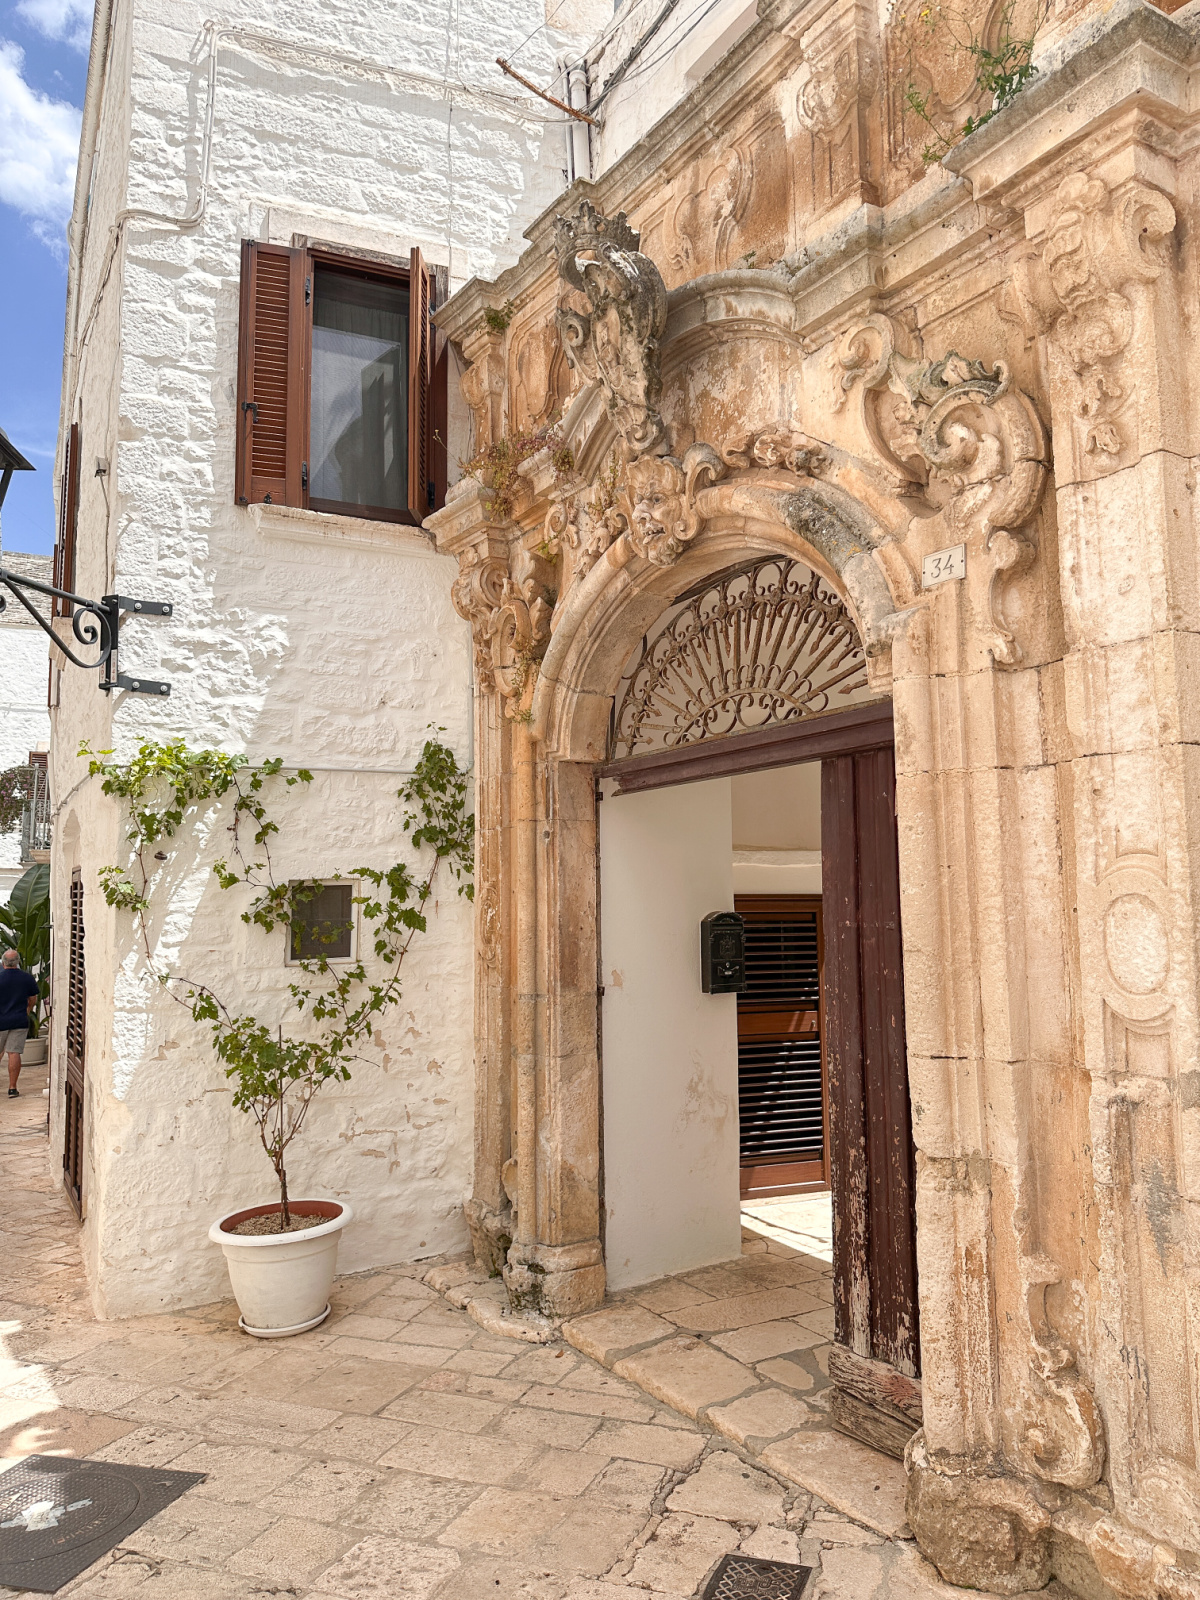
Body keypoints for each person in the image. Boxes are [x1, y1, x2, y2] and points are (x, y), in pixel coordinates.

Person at [0, 949, 40, 1097]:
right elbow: (32, 998)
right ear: (17, 962)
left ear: (3, 962)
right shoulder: (26, 978)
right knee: (14, 1052)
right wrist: (27, 1011)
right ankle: (12, 1088)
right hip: (19, 1020)